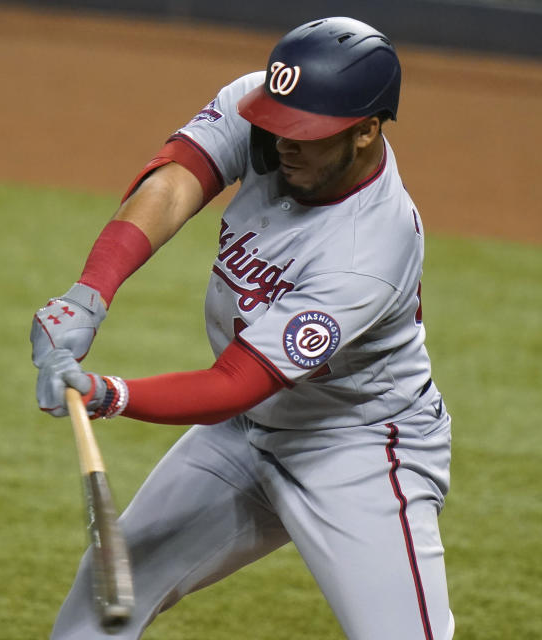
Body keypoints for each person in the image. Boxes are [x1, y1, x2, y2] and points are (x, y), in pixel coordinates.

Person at [31, 16, 455, 640]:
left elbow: (235, 381)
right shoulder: (271, 103)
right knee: (105, 596)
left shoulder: (369, 250)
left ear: (365, 132)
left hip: (356, 445)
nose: (284, 142)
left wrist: (108, 393)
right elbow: (175, 184)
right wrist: (90, 294)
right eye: (279, 122)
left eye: (307, 134)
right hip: (244, 435)